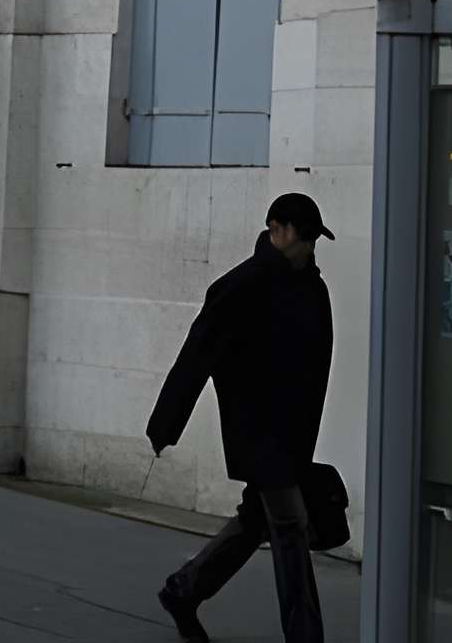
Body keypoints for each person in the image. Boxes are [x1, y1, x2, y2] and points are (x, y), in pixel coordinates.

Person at [147, 191, 336, 643]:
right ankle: (306, 636)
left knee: (257, 521)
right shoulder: (242, 285)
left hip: (291, 434)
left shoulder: (312, 287)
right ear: (278, 230)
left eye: (314, 240)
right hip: (256, 430)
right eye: (304, 238)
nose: (309, 248)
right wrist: (166, 423)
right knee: (290, 526)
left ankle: (183, 591)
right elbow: (197, 355)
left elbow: (317, 364)